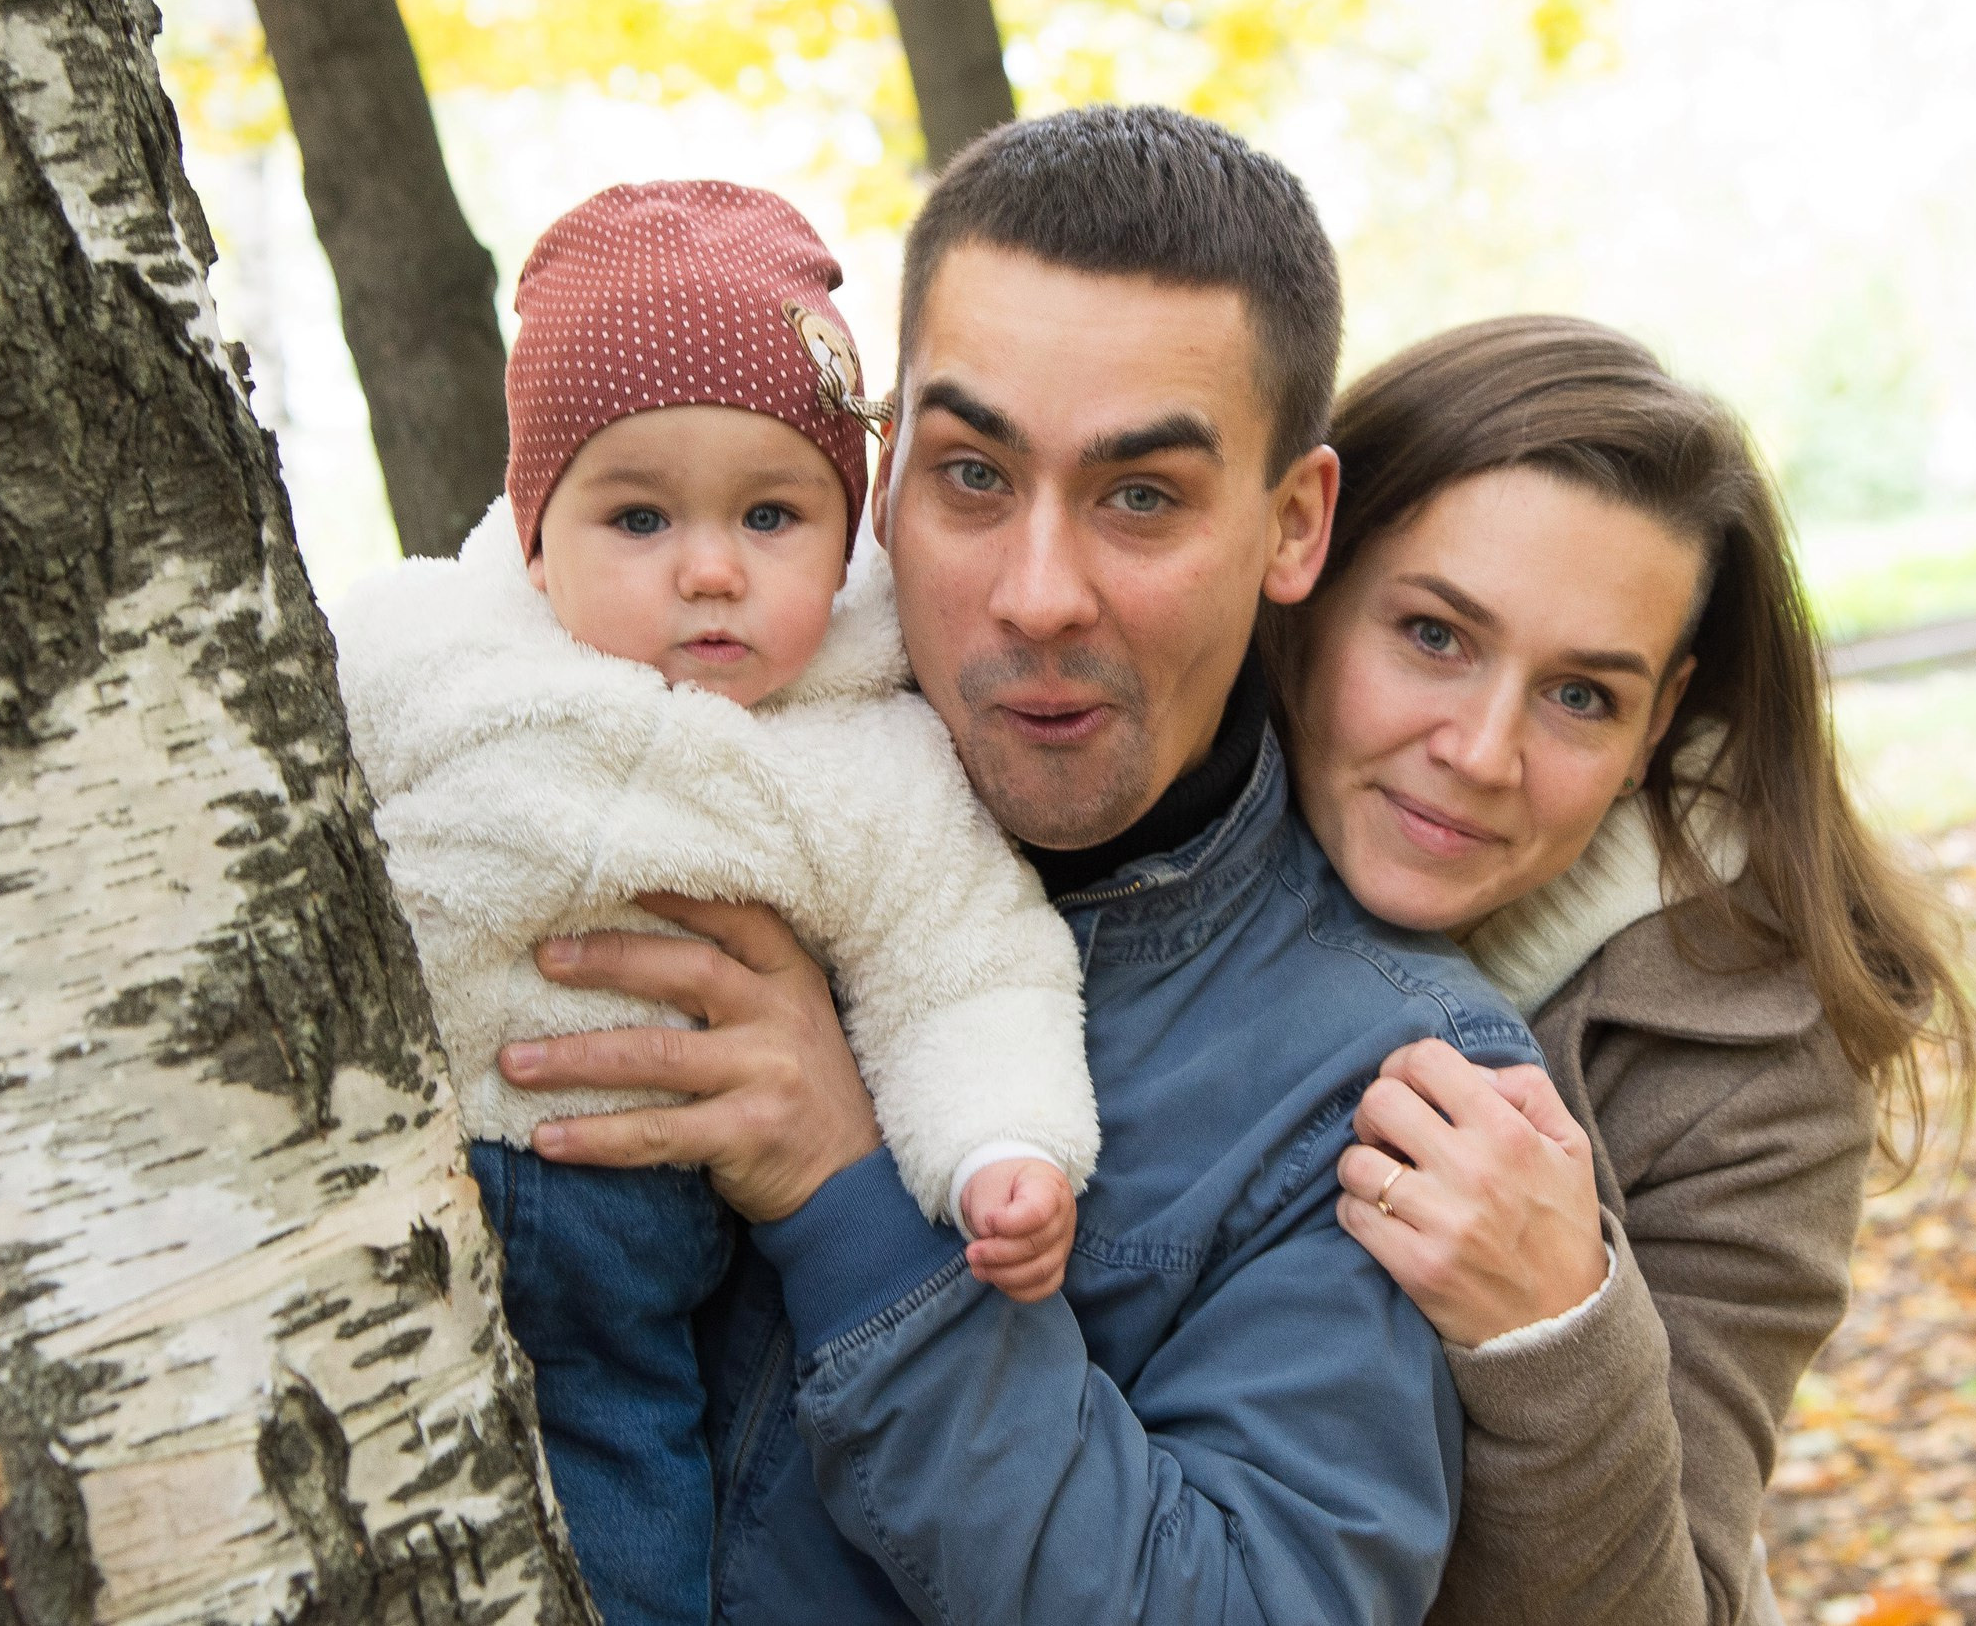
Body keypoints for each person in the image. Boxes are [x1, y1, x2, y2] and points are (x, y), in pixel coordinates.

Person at [493, 107, 1547, 1623]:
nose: (1039, 596)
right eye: (973, 476)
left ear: (1293, 524)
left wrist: (848, 1199)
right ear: (883, 469)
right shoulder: (635, 745)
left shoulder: (1382, 1086)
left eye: (1142, 498)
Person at [330, 181, 1099, 1626]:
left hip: (620, 1252)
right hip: (361, 1181)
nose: (709, 568)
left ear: (846, 533)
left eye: (770, 513)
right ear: (535, 530)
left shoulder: (870, 759)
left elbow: (968, 968)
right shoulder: (420, 650)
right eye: (638, 515)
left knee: (625, 1558)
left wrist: (1008, 1145)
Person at [1266, 315, 1976, 1625]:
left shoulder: (1754, 1053)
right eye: (1434, 634)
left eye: (1582, 696)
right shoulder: (1113, 835)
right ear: (1304, 574)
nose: (1483, 751)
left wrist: (1552, 1333)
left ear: (1661, 721)